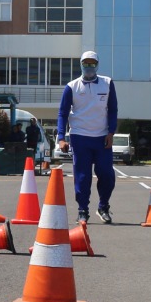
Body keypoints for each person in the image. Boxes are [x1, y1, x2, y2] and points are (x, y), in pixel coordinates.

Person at [57, 50, 118, 224]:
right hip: (80, 136)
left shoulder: (107, 83)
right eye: (86, 63)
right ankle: (82, 210)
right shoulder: (71, 87)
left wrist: (111, 132)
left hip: (102, 138)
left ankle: (103, 206)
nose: (89, 67)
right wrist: (61, 137)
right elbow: (62, 113)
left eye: (92, 63)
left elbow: (113, 109)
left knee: (106, 174)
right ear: (81, 64)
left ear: (97, 65)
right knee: (83, 176)